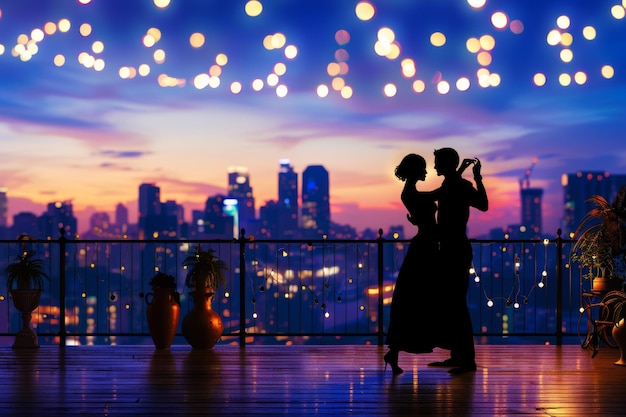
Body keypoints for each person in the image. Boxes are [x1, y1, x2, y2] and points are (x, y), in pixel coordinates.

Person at [427, 147, 488, 375]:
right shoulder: (456, 184)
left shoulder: (454, 185)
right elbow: (482, 203)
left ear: (445, 164)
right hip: (454, 249)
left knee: (457, 307)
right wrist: (476, 177)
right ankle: (459, 356)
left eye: (437, 162)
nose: (434, 167)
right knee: (454, 305)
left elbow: (482, 204)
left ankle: (466, 360)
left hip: (453, 250)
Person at [384, 153, 440, 376]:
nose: (426, 171)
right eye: (422, 168)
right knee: (417, 297)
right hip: (425, 247)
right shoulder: (412, 193)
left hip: (424, 245)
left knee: (411, 298)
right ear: (415, 170)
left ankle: (394, 352)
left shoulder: (410, 193)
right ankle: (395, 351)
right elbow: (434, 196)